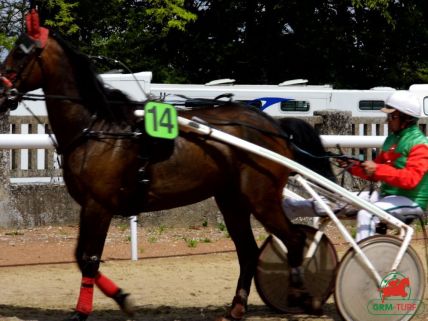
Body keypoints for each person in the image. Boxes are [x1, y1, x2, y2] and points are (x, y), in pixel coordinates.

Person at [338, 90, 428, 241]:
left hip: (412, 201)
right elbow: (375, 170)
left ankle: (361, 260)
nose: (387, 121)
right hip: (388, 196)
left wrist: (378, 169)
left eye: (391, 116)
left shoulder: (420, 144)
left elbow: (410, 179)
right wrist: (351, 165)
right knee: (339, 200)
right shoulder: (392, 139)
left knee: (367, 213)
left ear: (405, 118)